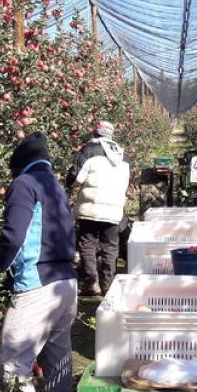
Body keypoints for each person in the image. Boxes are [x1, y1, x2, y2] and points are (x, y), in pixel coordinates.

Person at [0, 133, 78, 392]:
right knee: (58, 363)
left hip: (37, 287)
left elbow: (13, 236)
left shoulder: (25, 184)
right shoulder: (55, 187)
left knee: (13, 366)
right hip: (66, 285)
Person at [65, 120, 130, 296]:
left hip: (91, 208)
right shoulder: (123, 155)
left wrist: (67, 185)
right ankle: (108, 287)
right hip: (114, 209)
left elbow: (76, 176)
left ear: (96, 133)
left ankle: (90, 281)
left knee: (88, 244)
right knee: (110, 246)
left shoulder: (88, 150)